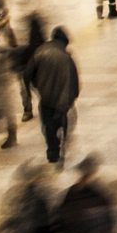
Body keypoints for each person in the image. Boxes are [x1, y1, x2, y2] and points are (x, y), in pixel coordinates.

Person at [26, 27, 79, 163]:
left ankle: (52, 150)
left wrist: (36, 86)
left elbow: (27, 74)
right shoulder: (67, 57)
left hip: (46, 98)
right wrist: (72, 96)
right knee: (61, 121)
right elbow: (74, 79)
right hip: (63, 99)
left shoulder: (40, 51)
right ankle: (62, 142)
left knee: (48, 125)